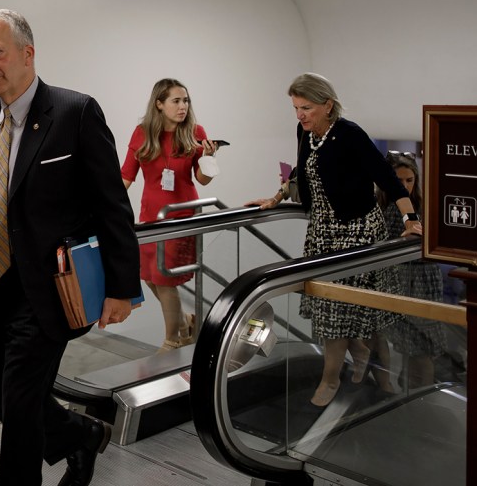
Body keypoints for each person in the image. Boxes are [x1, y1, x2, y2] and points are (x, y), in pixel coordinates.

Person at [0, 9, 141, 486]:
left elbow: (112, 206)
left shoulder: (74, 112)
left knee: (21, 402)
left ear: (27, 54)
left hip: (50, 286)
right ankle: (79, 436)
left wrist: (121, 287)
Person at [246, 73, 422, 406]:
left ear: (328, 104)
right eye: (296, 108)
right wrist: (277, 197)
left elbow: (388, 179)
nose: (300, 115)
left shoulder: (350, 134)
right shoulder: (306, 132)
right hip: (322, 233)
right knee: (331, 310)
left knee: (362, 312)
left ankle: (357, 377)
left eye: (307, 107)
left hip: (358, 232)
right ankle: (341, 369)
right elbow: (301, 171)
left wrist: (410, 219)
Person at [120, 78, 220, 352]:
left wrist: (209, 157)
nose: (183, 106)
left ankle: (172, 340)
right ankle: (186, 322)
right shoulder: (142, 133)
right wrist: (106, 206)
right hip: (151, 217)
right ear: (159, 104)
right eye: (176, 101)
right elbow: (126, 176)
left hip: (182, 215)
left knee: (164, 279)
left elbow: (202, 179)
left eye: (186, 100)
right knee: (149, 276)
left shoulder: (195, 131)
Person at [379, 151, 447, 389]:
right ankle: (407, 389)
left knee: (422, 348)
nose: (405, 186)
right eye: (399, 181)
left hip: (422, 279)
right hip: (396, 280)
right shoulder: (382, 206)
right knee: (404, 345)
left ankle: (422, 393)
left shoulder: (423, 207)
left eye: (409, 180)